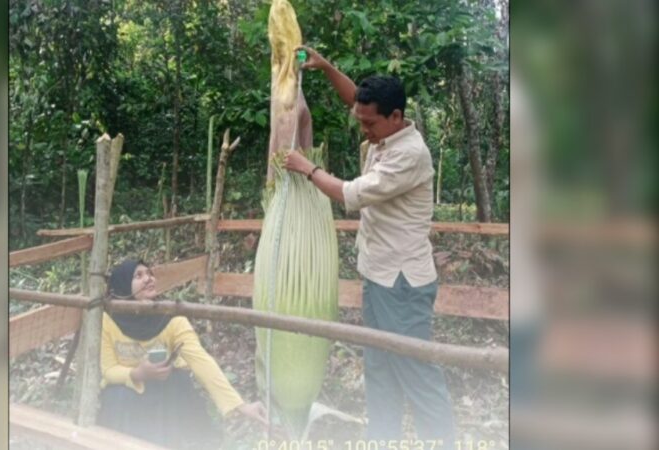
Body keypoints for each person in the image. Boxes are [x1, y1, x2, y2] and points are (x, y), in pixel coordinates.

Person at [285, 46, 455, 445]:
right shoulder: (384, 133)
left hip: (402, 284)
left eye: (370, 123)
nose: (363, 128)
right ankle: (384, 441)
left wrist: (307, 167)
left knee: (416, 373)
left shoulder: (410, 155)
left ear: (396, 117)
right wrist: (326, 67)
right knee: (378, 370)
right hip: (377, 276)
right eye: (362, 121)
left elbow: (348, 194)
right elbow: (356, 104)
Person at [97, 259, 267, 448]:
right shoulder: (107, 320)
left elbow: (201, 361)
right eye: (138, 275)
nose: (148, 278)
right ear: (122, 284)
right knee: (116, 394)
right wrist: (137, 374)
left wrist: (240, 405)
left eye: (149, 273)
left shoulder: (171, 318)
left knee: (177, 382)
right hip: (127, 390)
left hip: (164, 388)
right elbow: (109, 370)